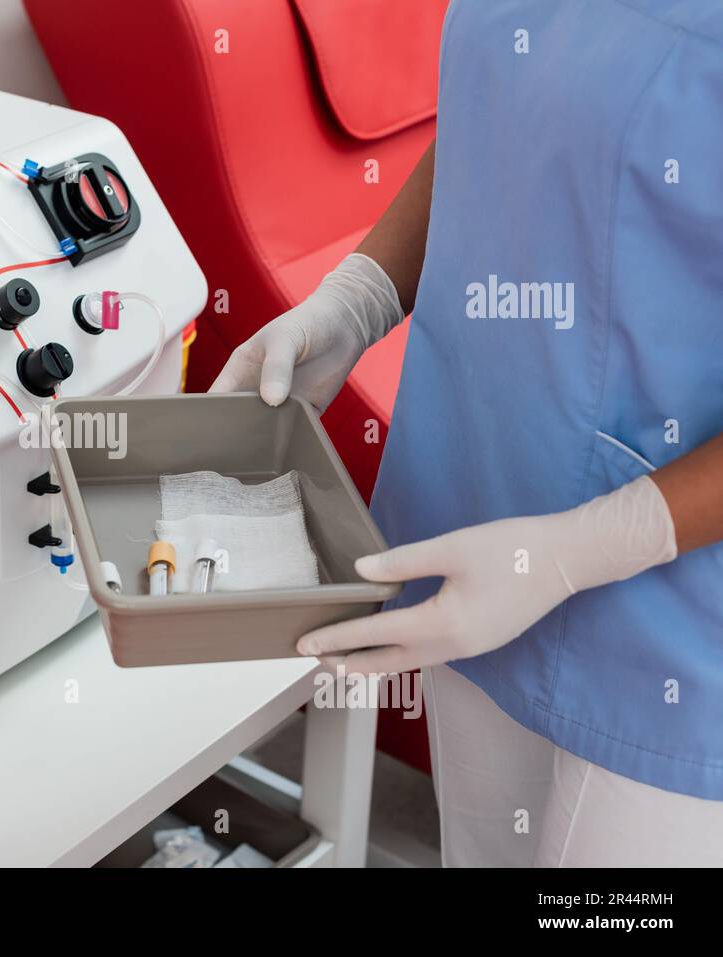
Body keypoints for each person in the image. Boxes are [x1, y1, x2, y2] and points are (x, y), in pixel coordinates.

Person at [210, 0, 723, 867]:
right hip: (473, 518)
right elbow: (500, 116)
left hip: (677, 618)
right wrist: (360, 298)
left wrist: (574, 552)